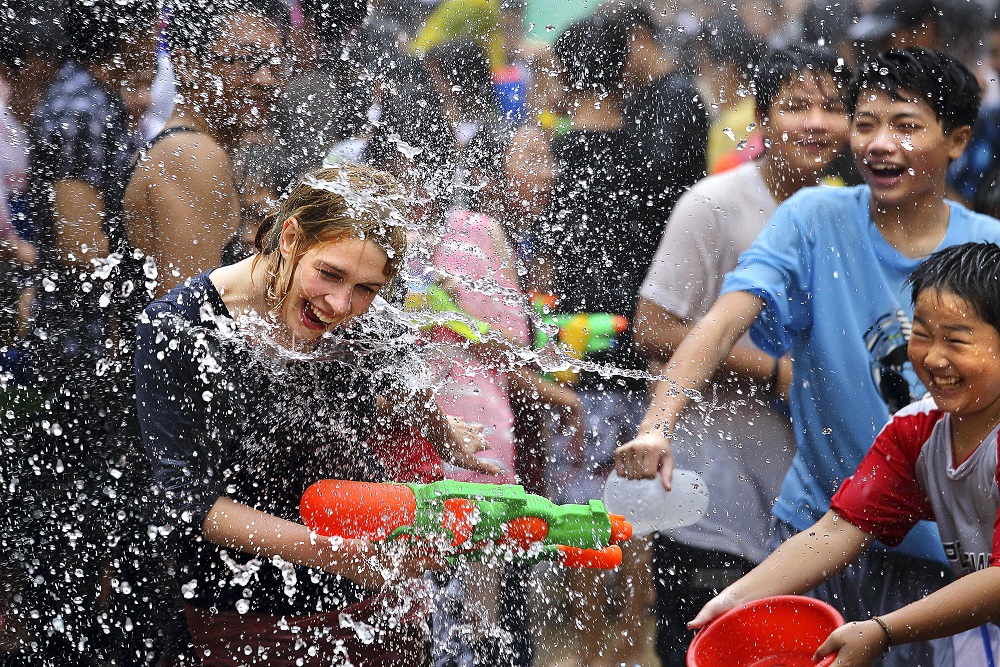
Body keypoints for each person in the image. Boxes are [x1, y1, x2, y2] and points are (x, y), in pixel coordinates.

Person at [616, 47, 1000, 667]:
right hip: (819, 530)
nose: (879, 143)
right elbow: (719, 321)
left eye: (905, 126)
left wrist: (883, 631)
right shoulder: (815, 219)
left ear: (956, 139)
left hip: (954, 561)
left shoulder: (988, 250)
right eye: (867, 123)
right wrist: (658, 426)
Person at [136, 163, 495, 666]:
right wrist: (340, 555)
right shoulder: (180, 328)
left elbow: (402, 376)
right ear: (289, 237)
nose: (341, 304)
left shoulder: (363, 321)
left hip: (376, 602)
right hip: (248, 615)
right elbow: (190, 503)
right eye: (329, 273)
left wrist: (442, 433)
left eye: (367, 289)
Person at [636, 43, 851, 666]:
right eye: (796, 105)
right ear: (762, 116)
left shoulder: (843, 210)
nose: (815, 122)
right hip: (714, 489)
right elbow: (652, 329)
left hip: (809, 500)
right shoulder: (713, 205)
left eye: (834, 108)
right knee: (702, 648)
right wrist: (776, 372)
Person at [691, 242, 1000, 667]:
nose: (933, 357)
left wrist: (883, 631)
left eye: (956, 341)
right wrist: (738, 598)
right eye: (923, 335)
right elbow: (839, 530)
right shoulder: (917, 431)